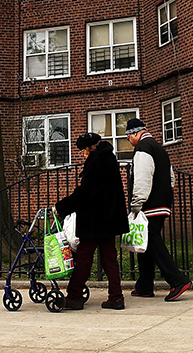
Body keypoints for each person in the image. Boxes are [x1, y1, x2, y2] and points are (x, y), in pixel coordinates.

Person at [54, 132, 129, 310]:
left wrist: (61, 206)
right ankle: (116, 296)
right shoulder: (109, 159)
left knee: (84, 258)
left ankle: (74, 296)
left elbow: (85, 193)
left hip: (94, 219)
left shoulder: (95, 162)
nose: (83, 154)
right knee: (110, 258)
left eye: (83, 150)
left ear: (90, 147)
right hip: (109, 218)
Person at [125, 117, 193, 302]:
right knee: (145, 243)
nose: (129, 141)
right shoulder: (159, 149)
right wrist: (166, 195)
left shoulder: (143, 148)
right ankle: (144, 286)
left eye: (128, 136)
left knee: (153, 242)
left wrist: (137, 202)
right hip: (162, 202)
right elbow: (171, 177)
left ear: (135, 133)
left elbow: (142, 177)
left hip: (149, 204)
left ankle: (178, 280)